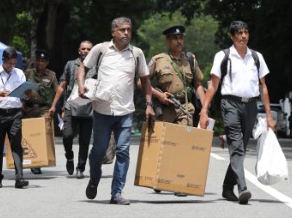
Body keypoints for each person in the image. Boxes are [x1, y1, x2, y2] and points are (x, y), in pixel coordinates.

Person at [77, 17, 155, 205]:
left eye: (129, 29)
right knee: (99, 151)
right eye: (122, 30)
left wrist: (149, 104)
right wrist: (81, 85)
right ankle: (94, 178)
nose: (126, 33)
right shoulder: (101, 49)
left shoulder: (136, 54)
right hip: (102, 110)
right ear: (113, 32)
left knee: (123, 151)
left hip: (125, 111)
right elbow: (83, 67)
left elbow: (145, 80)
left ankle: (116, 192)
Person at [199, 21, 275, 205]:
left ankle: (227, 188)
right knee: (237, 147)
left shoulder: (256, 57)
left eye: (246, 32)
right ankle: (242, 188)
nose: (243, 36)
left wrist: (269, 115)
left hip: (250, 107)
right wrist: (204, 110)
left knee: (240, 147)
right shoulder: (223, 56)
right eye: (239, 33)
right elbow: (213, 85)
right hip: (230, 104)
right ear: (232, 36)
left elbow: (263, 87)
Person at [141, 25, 205, 196]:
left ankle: (179, 183)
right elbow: (142, 82)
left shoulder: (190, 59)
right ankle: (160, 178)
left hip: (186, 108)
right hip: (166, 108)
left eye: (181, 38)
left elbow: (198, 84)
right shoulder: (158, 60)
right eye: (175, 38)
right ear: (168, 41)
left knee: (184, 145)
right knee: (166, 146)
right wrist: (159, 96)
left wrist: (205, 108)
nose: (179, 41)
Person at [0, 47, 29, 189]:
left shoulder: (19, 73)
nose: (11, 66)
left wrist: (27, 93)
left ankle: (19, 177)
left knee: (16, 144)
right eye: (9, 63)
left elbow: (24, 93)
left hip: (15, 112)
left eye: (14, 63)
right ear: (3, 60)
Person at [48, 41, 94, 179]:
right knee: (67, 135)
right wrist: (54, 105)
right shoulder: (70, 65)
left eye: (88, 49)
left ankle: (80, 168)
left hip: (88, 109)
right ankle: (69, 156)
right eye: (83, 49)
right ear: (79, 51)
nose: (85, 51)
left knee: (84, 141)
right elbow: (62, 86)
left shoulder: (96, 66)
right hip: (70, 107)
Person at [23, 49, 58, 175]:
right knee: (30, 135)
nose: (40, 63)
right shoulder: (27, 73)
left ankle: (38, 162)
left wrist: (54, 107)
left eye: (43, 61)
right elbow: (20, 88)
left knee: (41, 134)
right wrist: (22, 104)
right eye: (38, 60)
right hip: (29, 108)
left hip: (44, 109)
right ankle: (30, 160)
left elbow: (57, 92)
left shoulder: (51, 76)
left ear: (47, 63)